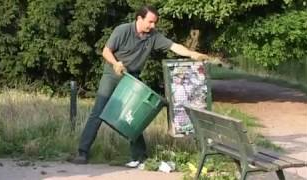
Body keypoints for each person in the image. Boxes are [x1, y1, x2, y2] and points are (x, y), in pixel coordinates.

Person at [71, 5, 210, 167]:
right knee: (98, 112)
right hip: (113, 74)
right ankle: (82, 152)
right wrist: (116, 63)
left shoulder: (153, 36)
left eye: (154, 23)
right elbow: (106, 51)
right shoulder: (122, 30)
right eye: (150, 22)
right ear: (139, 19)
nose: (153, 26)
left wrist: (193, 54)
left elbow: (173, 46)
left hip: (132, 78)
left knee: (133, 116)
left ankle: (140, 157)